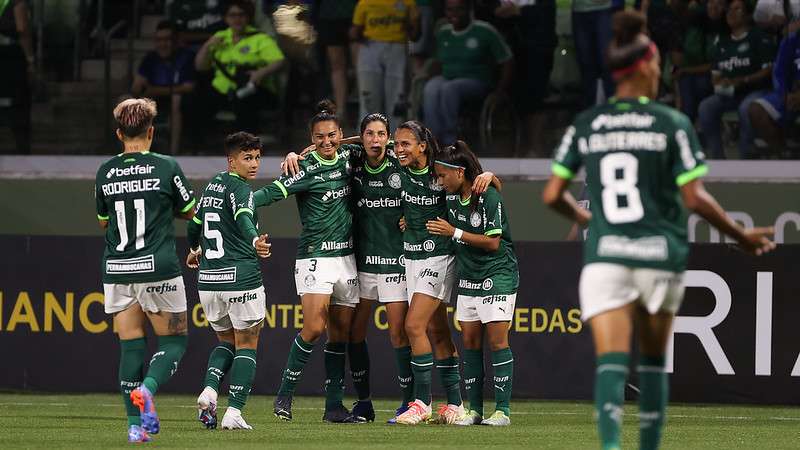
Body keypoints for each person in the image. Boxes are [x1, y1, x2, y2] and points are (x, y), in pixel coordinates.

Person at [542, 11, 775, 450]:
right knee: (650, 363)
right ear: (646, 67)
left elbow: (552, 195)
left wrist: (586, 219)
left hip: (606, 257)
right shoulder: (672, 123)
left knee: (611, 362)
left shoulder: (587, 123)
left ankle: (610, 447)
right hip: (655, 258)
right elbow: (695, 200)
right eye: (656, 65)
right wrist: (740, 236)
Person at [94, 98, 197, 443]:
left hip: (118, 270)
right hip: (158, 267)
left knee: (130, 348)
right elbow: (189, 210)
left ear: (119, 133)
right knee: (174, 341)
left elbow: (104, 220)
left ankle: (135, 427)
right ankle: (148, 389)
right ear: (152, 131)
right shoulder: (166, 166)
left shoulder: (106, 171)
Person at [256, 100, 360, 423]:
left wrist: (299, 149)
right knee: (314, 327)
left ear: (340, 135)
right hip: (316, 257)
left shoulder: (348, 157)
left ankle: (333, 407)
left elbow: (372, 141)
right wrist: (241, 204)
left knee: (340, 334)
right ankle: (285, 395)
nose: (326, 142)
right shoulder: (304, 168)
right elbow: (270, 194)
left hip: (347, 257)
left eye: (331, 136)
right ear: (311, 138)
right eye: (319, 138)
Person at [392, 120, 497, 425]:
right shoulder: (399, 166)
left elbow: (477, 181)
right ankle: (455, 405)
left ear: (422, 146)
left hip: (439, 257)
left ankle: (422, 402)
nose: (398, 149)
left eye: (405, 144)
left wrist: (491, 176)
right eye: (396, 144)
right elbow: (369, 141)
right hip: (411, 257)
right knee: (437, 331)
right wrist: (308, 151)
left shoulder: (442, 170)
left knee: (413, 326)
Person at [426, 140, 518, 426]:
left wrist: (454, 232)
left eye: (442, 175)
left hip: (497, 274)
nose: (439, 181)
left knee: (497, 341)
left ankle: (502, 411)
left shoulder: (488, 197)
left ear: (460, 172)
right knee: (470, 342)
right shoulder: (451, 198)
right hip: (469, 278)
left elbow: (492, 242)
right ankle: (475, 410)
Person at [187, 132, 271, 430]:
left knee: (225, 341)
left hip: (209, 281)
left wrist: (194, 249)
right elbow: (245, 216)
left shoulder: (212, 185)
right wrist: (254, 240)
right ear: (231, 160)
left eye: (257, 157)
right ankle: (233, 412)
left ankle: (210, 391)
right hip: (240, 277)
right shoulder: (241, 188)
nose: (254, 164)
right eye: (247, 158)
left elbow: (194, 225)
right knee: (248, 343)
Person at [423, 0, 514, 146]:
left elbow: (507, 60)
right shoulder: (443, 32)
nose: (454, 14)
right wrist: (426, 74)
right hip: (448, 78)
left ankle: (449, 141)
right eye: (450, 10)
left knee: (449, 89)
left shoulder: (484, 30)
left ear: (468, 10)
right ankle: (432, 139)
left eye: (459, 10)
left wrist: (501, 89)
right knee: (431, 88)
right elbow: (438, 61)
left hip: (477, 81)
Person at [194, 0, 286, 134]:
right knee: (195, 100)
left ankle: (246, 146)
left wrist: (260, 73)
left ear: (248, 17)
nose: (237, 19)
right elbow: (200, 66)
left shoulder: (259, 38)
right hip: (223, 90)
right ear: (226, 18)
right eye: (232, 15)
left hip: (252, 89)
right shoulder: (220, 37)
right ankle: (199, 146)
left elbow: (279, 61)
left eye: (241, 15)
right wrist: (207, 46)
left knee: (244, 101)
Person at [697, 0, 775, 159]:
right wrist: (720, 82)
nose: (731, 13)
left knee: (746, 107)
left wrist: (743, 79)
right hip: (730, 93)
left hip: (757, 91)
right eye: (729, 10)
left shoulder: (758, 37)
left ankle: (745, 155)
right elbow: (716, 74)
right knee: (706, 107)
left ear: (747, 16)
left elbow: (768, 70)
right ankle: (717, 156)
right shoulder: (722, 42)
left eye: (737, 9)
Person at [350, 0, 419, 128]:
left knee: (395, 100)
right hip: (371, 48)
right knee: (370, 99)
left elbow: (415, 33)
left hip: (396, 48)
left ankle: (393, 141)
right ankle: (370, 139)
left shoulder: (408, 3)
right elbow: (355, 33)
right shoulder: (365, 3)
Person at [132, 20, 196, 154]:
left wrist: (155, 90)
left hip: (181, 101)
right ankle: (130, 152)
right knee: (125, 101)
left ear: (176, 40)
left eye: (167, 39)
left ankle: (174, 152)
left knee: (176, 99)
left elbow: (189, 87)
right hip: (153, 99)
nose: (163, 44)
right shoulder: (150, 58)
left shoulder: (186, 56)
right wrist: (138, 88)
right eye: (159, 40)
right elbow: (137, 85)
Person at [749, 26, 800, 157]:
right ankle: (785, 155)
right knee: (756, 110)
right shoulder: (792, 39)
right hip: (792, 93)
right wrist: (785, 95)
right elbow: (779, 72)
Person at [313, 0, 358, 124]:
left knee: (358, 66)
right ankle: (341, 111)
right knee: (337, 66)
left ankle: (363, 107)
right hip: (330, 16)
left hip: (357, 13)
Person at [0, 0, 33, 154]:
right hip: (10, 57)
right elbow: (22, 29)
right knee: (18, 104)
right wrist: (30, 59)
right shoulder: (16, 3)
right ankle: (22, 147)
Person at [572, 0, 615, 106]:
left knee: (605, 61)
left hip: (602, 10)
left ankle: (612, 105)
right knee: (585, 61)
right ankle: (589, 107)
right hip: (579, 10)